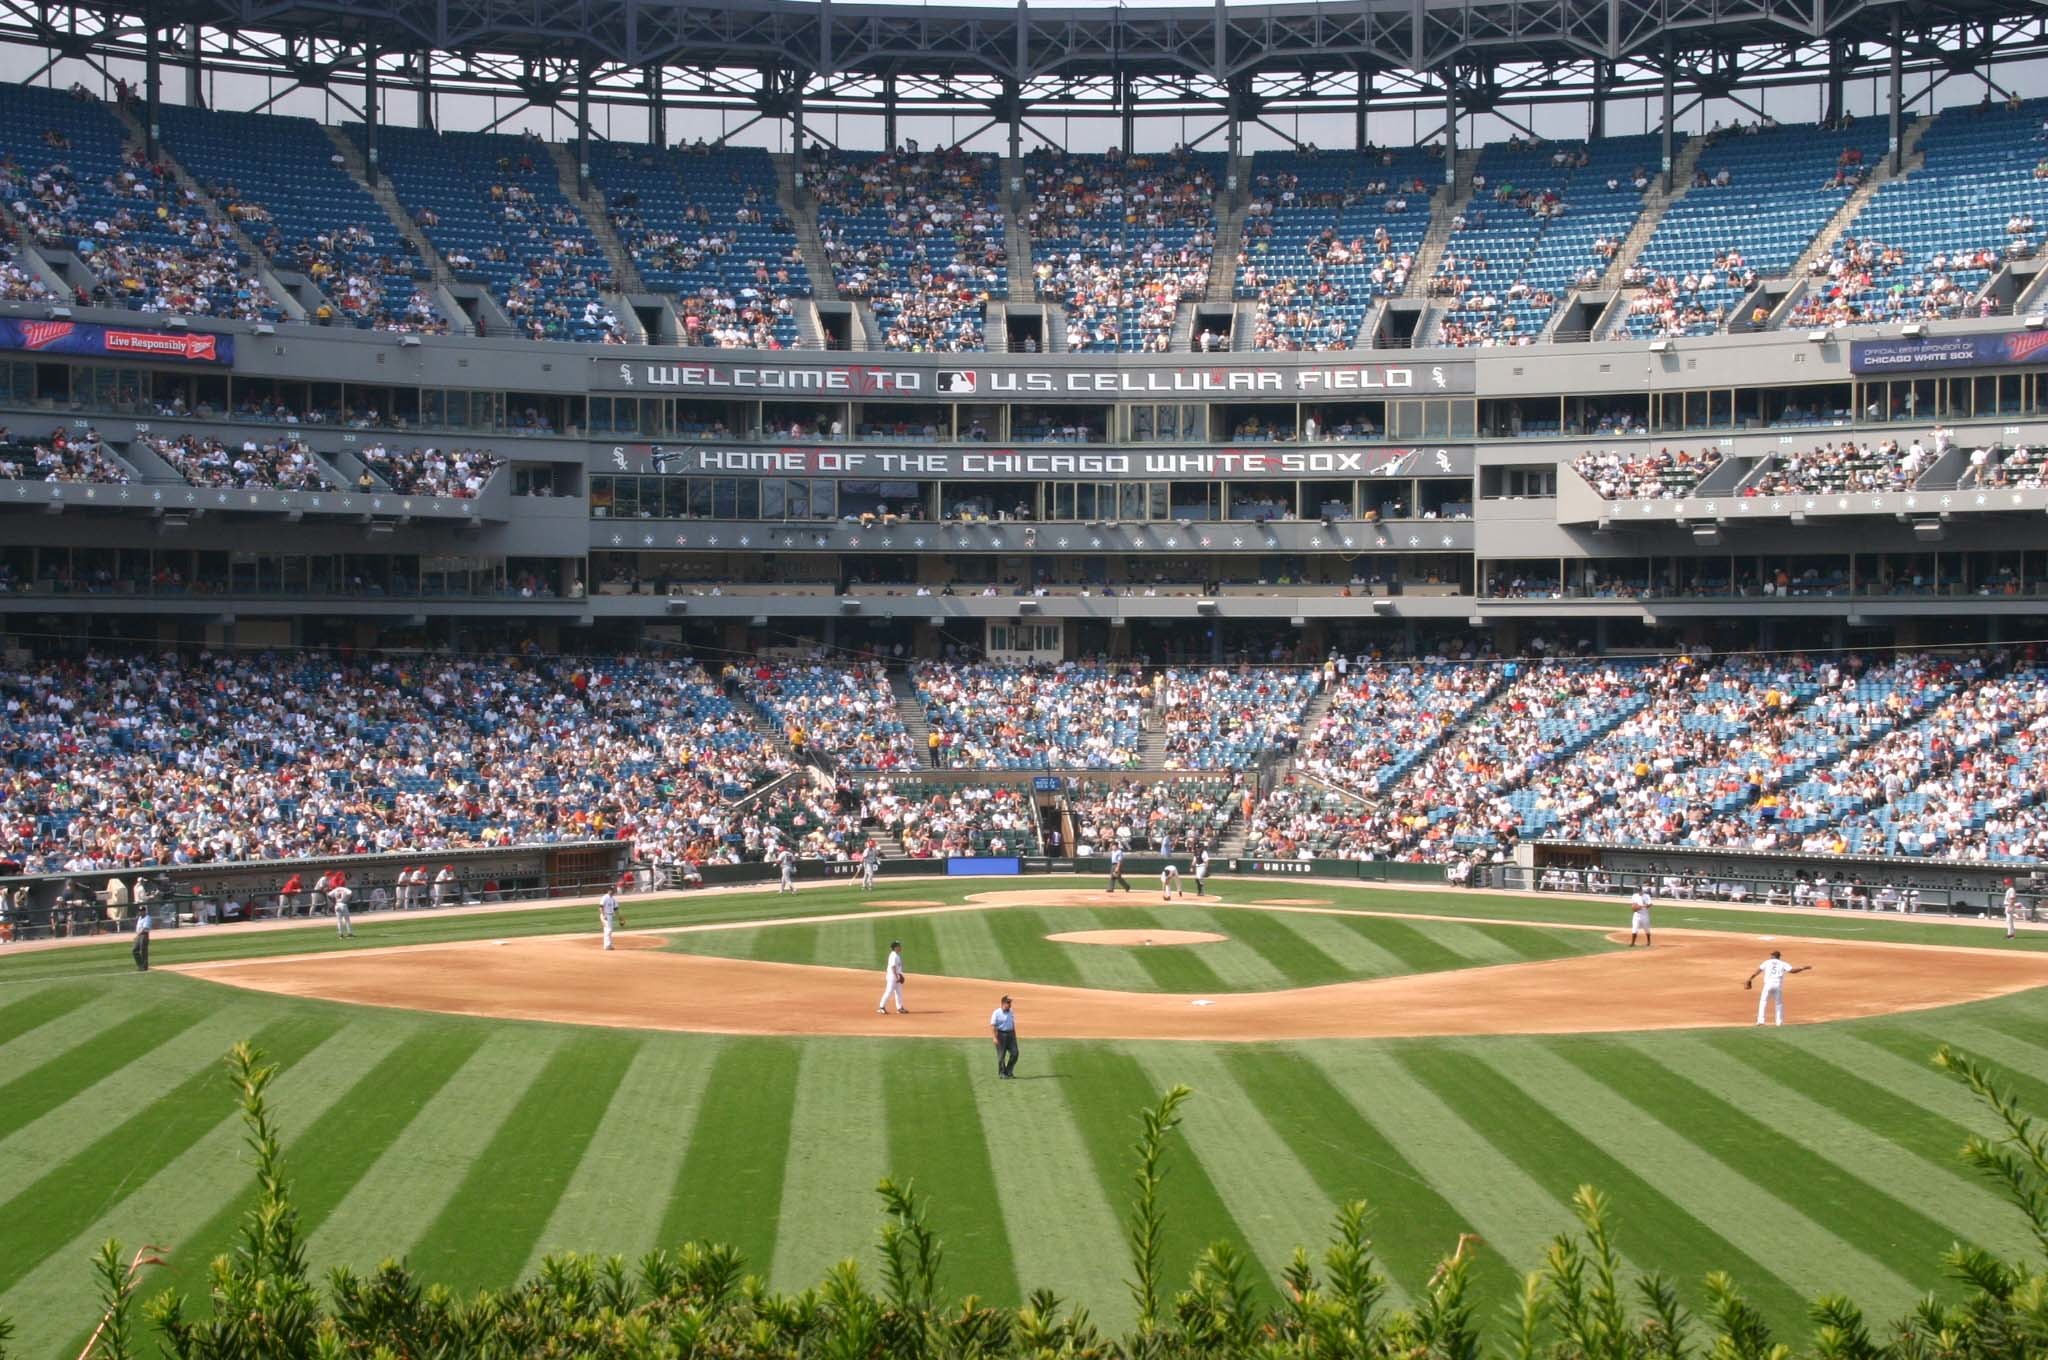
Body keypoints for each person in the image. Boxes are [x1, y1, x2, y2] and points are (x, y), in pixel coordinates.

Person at [1745, 949, 1811, 1026]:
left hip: (1768, 985)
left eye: (1771, 955)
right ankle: (1779, 1022)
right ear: (1779, 957)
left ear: (1773, 956)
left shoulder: (1766, 962)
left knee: (1763, 1001)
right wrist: (1802, 968)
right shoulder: (1782, 963)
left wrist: (1750, 979)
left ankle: (1760, 1021)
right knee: (1778, 1004)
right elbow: (1792, 971)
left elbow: (1757, 972)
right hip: (1777, 985)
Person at [990, 994, 1019, 1078]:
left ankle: (1009, 1071)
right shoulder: (996, 1013)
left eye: (1010, 1002)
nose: (1010, 1004)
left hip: (1011, 1035)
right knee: (1001, 1056)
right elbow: (992, 1025)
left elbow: (1012, 1023)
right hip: (1000, 1035)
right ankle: (1002, 1073)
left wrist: (1014, 1035)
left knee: (1015, 1053)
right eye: (1008, 1002)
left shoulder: (1011, 1011)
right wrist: (994, 1037)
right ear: (1003, 1003)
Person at [877, 939, 907, 1014]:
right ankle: (881, 1007)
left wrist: (899, 976)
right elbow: (893, 967)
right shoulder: (893, 956)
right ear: (895, 947)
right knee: (889, 992)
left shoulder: (897, 955)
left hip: (897, 976)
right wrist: (897, 977)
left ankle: (899, 1008)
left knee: (899, 992)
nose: (900, 947)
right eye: (899, 946)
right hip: (892, 977)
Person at [132, 903, 152, 971]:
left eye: (142, 911)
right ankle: (140, 965)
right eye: (139, 911)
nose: (140, 912)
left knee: (143, 951)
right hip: (139, 935)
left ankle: (144, 967)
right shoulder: (140, 918)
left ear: (145, 911)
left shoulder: (147, 918)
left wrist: (137, 935)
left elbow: (144, 928)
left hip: (144, 935)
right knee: (135, 950)